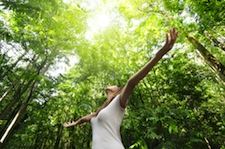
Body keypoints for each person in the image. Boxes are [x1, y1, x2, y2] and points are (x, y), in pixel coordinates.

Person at [63, 28, 178, 149]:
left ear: (116, 90)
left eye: (113, 85)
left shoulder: (119, 102)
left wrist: (160, 54)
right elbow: (85, 118)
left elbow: (131, 82)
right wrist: (75, 123)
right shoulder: (98, 113)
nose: (109, 84)